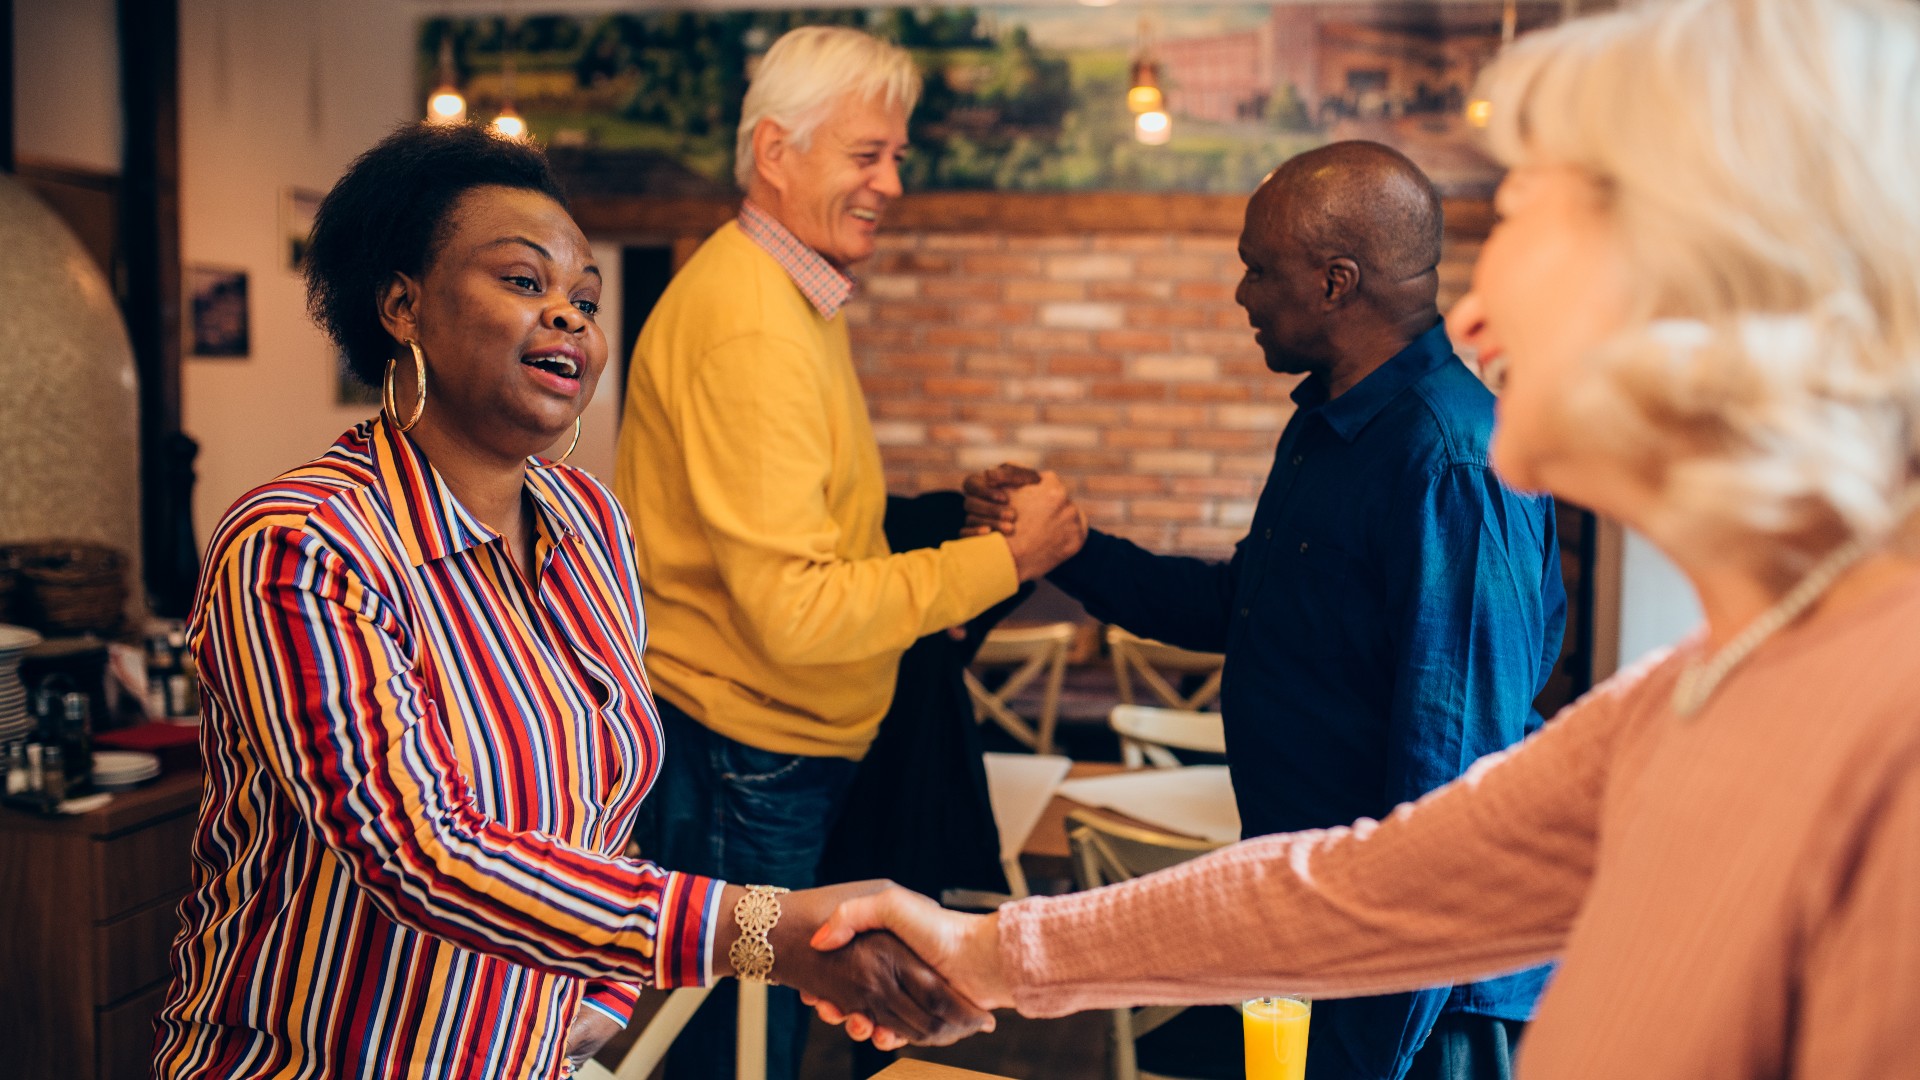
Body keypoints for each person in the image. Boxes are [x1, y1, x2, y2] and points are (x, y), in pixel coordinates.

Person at [809, 1, 1920, 1078]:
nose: (1472, 318)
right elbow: (1365, 886)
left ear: (1724, 277)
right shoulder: (1694, 691)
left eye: (1529, 214)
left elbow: (1422, 812)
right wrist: (986, 952)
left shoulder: (1886, 752)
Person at [150, 122, 991, 1079]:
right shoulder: (301, 545)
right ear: (400, 304)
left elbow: (603, 801)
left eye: (585, 297)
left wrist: (599, 992)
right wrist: (770, 931)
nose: (570, 317)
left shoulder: (589, 521)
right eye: (523, 282)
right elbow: (419, 853)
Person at [967, 140, 1564, 1080]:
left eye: (1256, 269)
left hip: (1421, 990)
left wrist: (1378, 1040)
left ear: (1335, 283)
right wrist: (1072, 548)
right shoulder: (1328, 425)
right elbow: (1242, 608)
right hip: (1321, 941)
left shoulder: (1450, 460)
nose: (1242, 295)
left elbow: (1449, 794)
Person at [611, 26, 1083, 1080]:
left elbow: (815, 534)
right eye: (868, 154)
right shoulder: (754, 325)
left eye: (898, 156)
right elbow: (797, 607)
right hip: (745, 762)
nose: (893, 183)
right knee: (733, 1057)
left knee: (754, 1045)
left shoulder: (785, 297)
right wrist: (1005, 562)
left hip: (770, 753)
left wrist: (955, 522)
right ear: (777, 153)